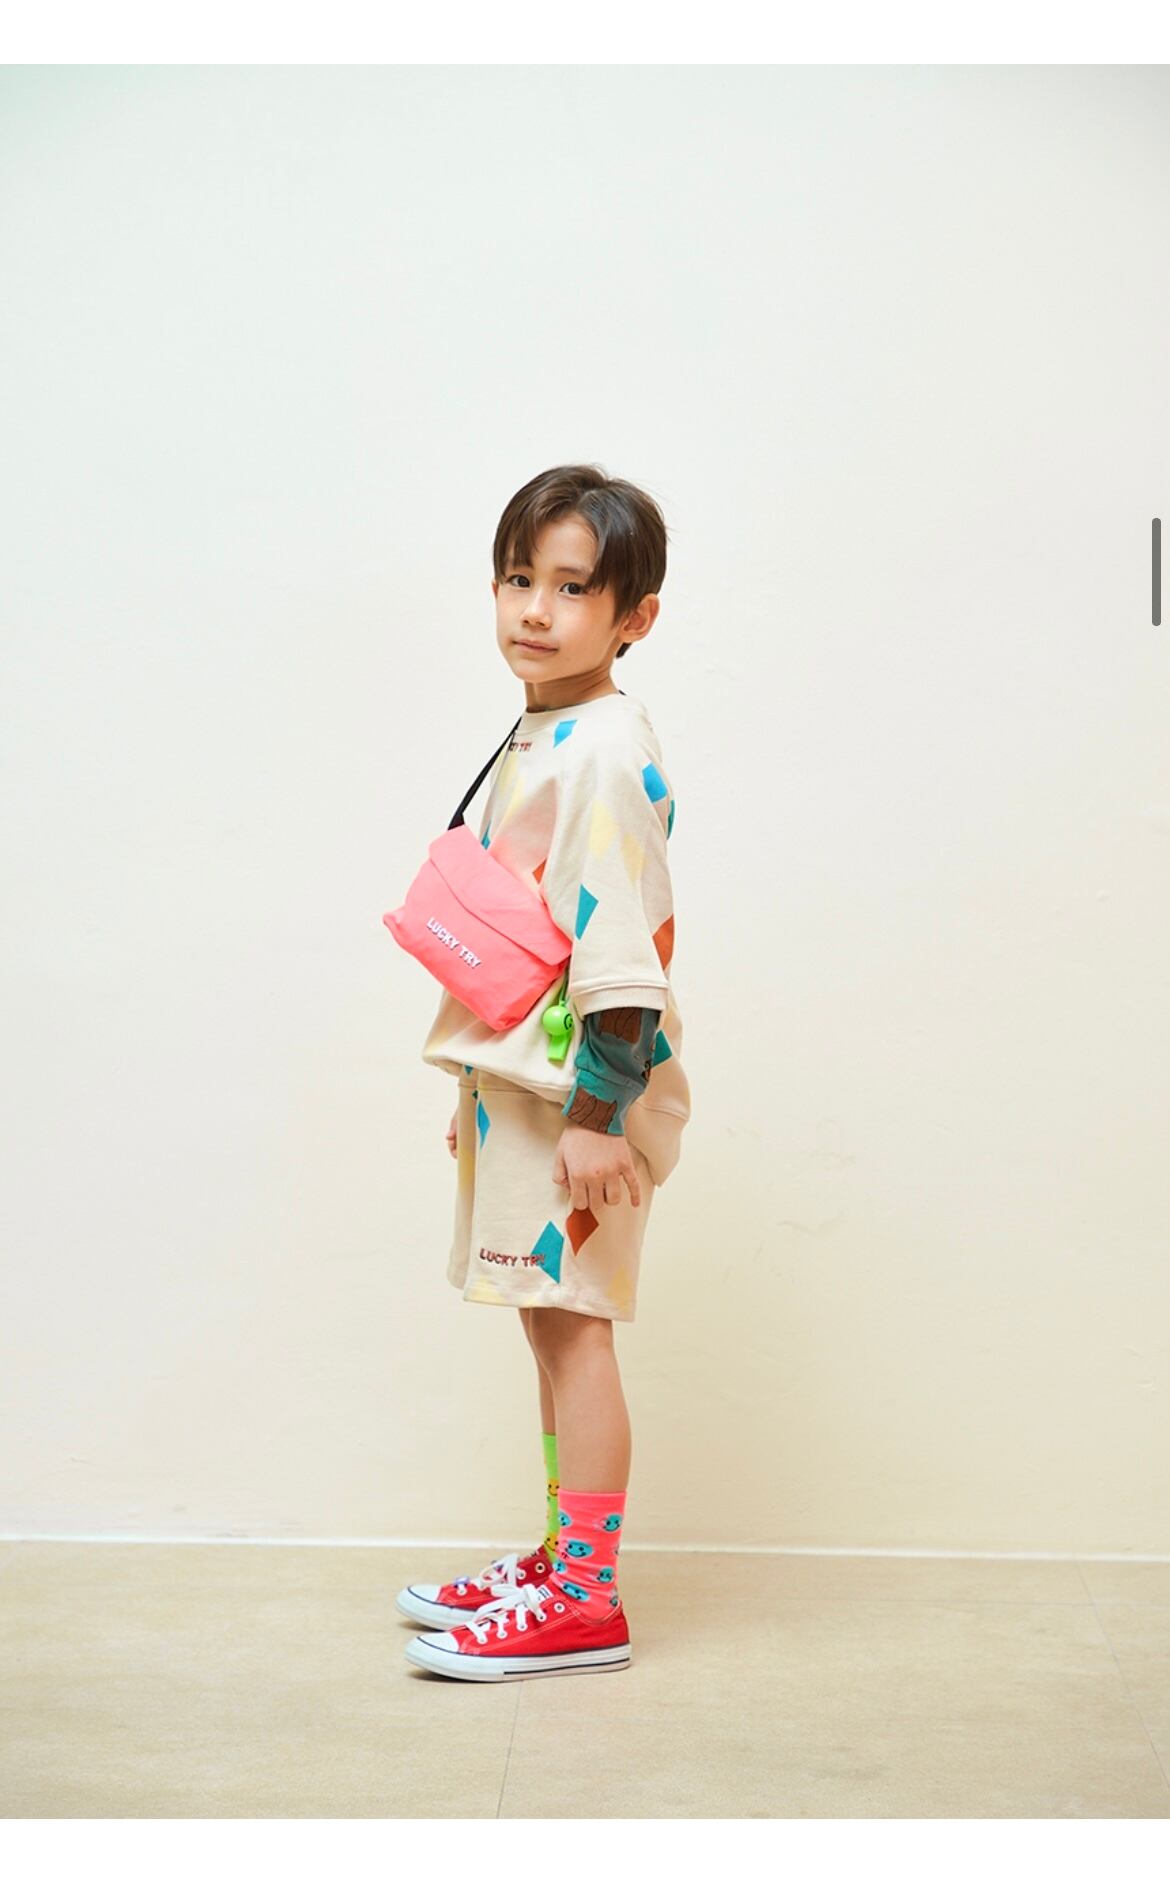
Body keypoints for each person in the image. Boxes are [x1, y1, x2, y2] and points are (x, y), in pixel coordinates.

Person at [397, 463, 691, 1681]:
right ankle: (564, 1558)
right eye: (519, 577)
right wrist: (483, 1092)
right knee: (546, 1322)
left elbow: (618, 948)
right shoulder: (549, 729)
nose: (534, 608)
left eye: (572, 587)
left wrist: (596, 1114)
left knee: (575, 1333)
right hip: (531, 1091)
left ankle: (584, 1598)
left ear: (634, 617)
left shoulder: (604, 749)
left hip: (581, 1097)